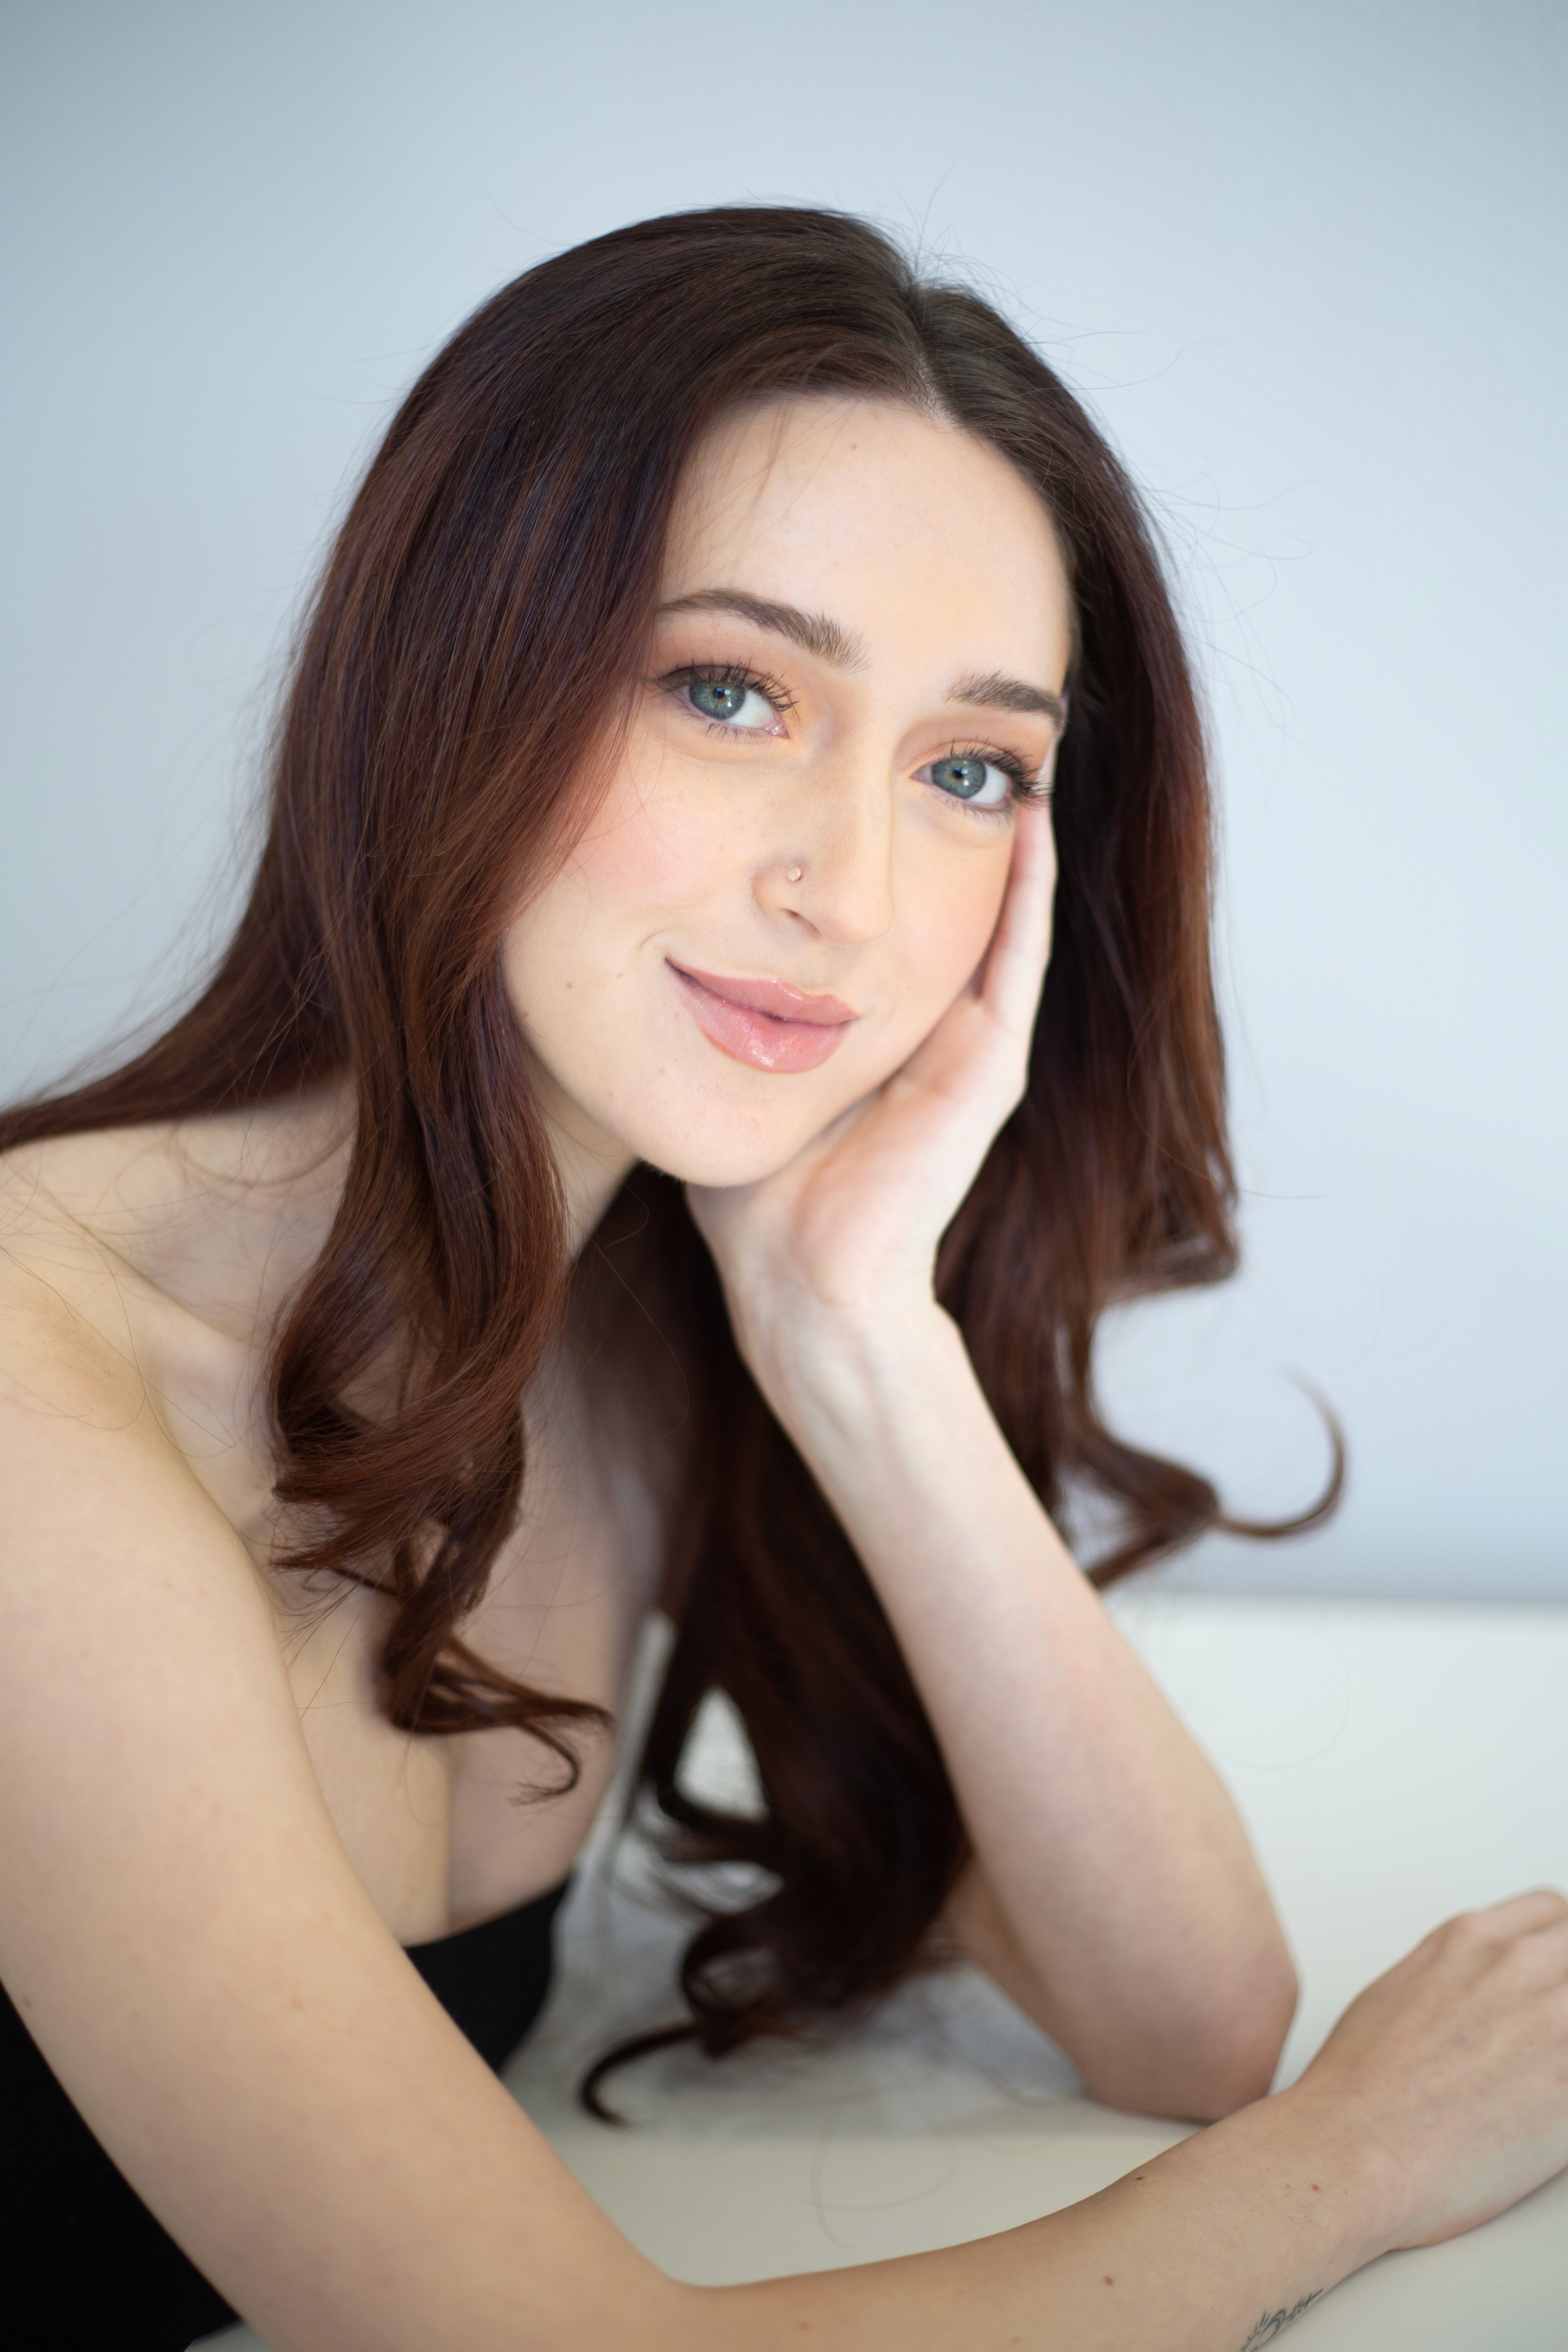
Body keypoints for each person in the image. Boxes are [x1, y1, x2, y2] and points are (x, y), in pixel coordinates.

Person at [0, 204, 1564, 2352]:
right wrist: (1346, 2166)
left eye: (970, 770)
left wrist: (856, 1328)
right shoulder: (38, 1406)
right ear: (447, 681)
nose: (854, 890)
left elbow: (1185, 2017)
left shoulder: (640, 1320)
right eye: (732, 692)